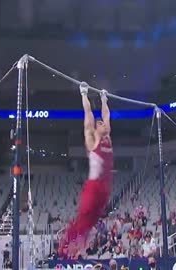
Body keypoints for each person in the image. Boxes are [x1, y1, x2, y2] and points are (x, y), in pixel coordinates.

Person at [59, 83, 113, 253]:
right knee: (83, 218)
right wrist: (84, 94)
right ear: (97, 128)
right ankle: (67, 243)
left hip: (104, 188)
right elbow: (88, 115)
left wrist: (104, 99)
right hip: (93, 185)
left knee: (91, 221)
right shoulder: (93, 139)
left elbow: (106, 115)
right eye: (101, 124)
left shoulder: (107, 136)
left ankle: (77, 244)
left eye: (104, 124)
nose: (104, 125)